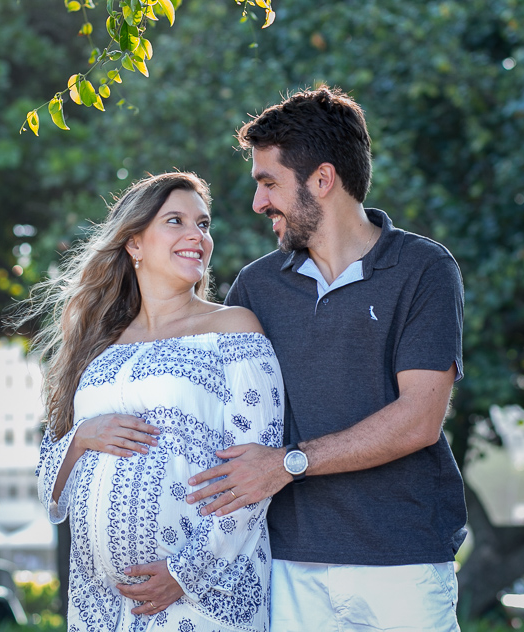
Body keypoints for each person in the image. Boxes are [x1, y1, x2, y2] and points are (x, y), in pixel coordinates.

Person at [183, 87, 467, 632]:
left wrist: (288, 463)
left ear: (322, 179)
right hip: (289, 565)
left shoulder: (424, 269)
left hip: (403, 563)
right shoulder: (256, 288)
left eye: (269, 183)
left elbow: (419, 420)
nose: (258, 203)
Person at [28, 172, 285, 632]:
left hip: (204, 595)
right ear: (134, 244)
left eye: (203, 224)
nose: (197, 236)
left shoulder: (233, 328)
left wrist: (184, 574)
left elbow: (256, 472)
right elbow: (49, 482)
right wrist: (82, 438)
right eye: (176, 221)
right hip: (101, 604)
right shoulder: (96, 345)